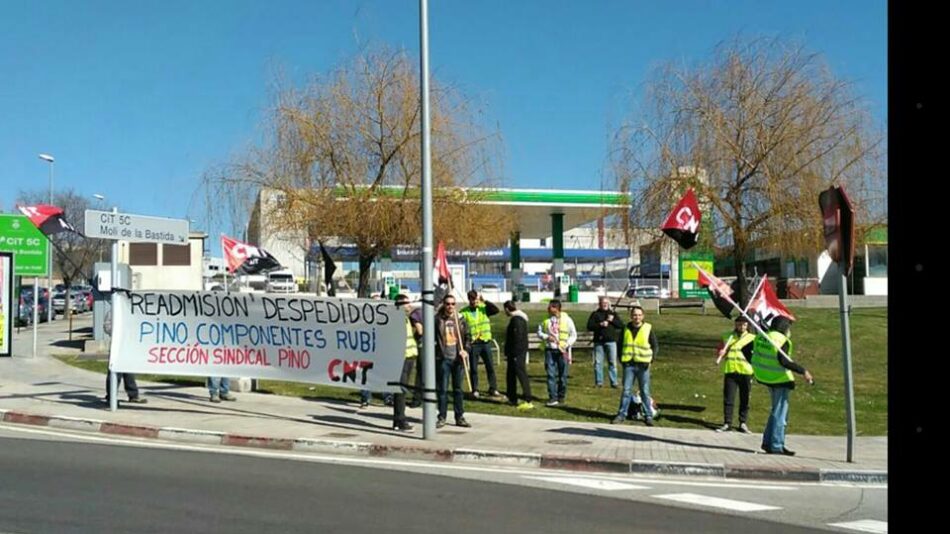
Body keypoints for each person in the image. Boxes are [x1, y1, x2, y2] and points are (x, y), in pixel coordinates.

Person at [751, 316, 814, 456]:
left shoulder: (762, 336)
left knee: (775, 411)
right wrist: (803, 371)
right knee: (780, 415)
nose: (789, 331)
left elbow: (746, 349)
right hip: (779, 379)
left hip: (765, 377)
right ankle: (777, 445)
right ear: (784, 327)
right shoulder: (781, 340)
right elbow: (784, 362)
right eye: (788, 327)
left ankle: (768, 443)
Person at [611, 305, 658, 426]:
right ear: (631, 316)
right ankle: (622, 414)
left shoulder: (648, 328)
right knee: (626, 391)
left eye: (639, 315)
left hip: (643, 365)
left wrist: (651, 360)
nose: (636, 317)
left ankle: (648, 415)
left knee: (644, 391)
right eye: (634, 315)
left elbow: (655, 346)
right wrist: (621, 359)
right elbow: (620, 344)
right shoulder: (626, 328)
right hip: (629, 364)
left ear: (643, 316)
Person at [714, 316, 756, 433]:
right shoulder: (728, 336)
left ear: (747, 326)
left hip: (746, 371)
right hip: (731, 371)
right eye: (739, 324)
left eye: (744, 324)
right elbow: (720, 350)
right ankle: (727, 423)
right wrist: (721, 352)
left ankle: (743, 422)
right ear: (735, 324)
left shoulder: (752, 338)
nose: (741, 327)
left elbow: (755, 355)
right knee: (729, 398)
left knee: (745, 398)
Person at [435, 294, 471, 428]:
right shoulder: (438, 319)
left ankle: (459, 416)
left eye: (452, 304)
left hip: (458, 359)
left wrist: (465, 350)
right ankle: (442, 416)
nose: (450, 306)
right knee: (443, 390)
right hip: (444, 358)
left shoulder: (460, 319)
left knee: (458, 390)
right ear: (444, 305)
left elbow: (468, 337)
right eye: (448, 304)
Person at [458, 289, 501, 398]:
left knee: (490, 366)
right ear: (469, 299)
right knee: (474, 368)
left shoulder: (484, 308)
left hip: (485, 342)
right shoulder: (464, 312)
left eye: (476, 298)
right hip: (473, 344)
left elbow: (496, 310)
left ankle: (493, 388)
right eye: (472, 299)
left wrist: (485, 301)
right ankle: (475, 389)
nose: (474, 301)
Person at [102, 306, 147, 405]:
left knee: (129, 371)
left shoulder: (131, 311)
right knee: (114, 372)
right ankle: (111, 397)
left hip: (128, 345)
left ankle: (133, 395)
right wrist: (119, 331)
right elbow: (106, 327)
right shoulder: (113, 310)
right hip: (117, 346)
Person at [537, 299, 576, 407]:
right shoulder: (545, 320)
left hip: (561, 350)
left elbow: (573, 335)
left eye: (551, 307)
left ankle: (561, 396)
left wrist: (567, 344)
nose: (548, 309)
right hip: (550, 350)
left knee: (562, 375)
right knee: (550, 374)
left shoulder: (567, 320)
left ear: (556, 308)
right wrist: (546, 337)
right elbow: (539, 331)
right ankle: (552, 397)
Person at [392, 294, 418, 432]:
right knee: (401, 391)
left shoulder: (406, 319)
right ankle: (400, 420)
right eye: (407, 303)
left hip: (409, 357)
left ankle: (398, 420)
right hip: (400, 359)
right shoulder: (396, 320)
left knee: (403, 390)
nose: (409, 305)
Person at [586, 296, 623, 388]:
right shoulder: (595, 314)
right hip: (599, 341)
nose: (605, 304)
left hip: (611, 341)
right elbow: (589, 326)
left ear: (609, 304)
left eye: (606, 303)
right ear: (600, 304)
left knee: (612, 363)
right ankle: (599, 382)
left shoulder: (613, 314)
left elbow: (621, 325)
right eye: (603, 303)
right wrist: (600, 324)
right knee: (598, 363)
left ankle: (614, 382)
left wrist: (612, 320)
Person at [503, 300, 533, 409]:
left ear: (507, 309)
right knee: (510, 375)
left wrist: (515, 352)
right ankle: (512, 397)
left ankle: (527, 398)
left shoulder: (517, 320)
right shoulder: (516, 319)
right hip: (513, 352)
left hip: (517, 352)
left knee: (521, 373)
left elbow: (517, 338)